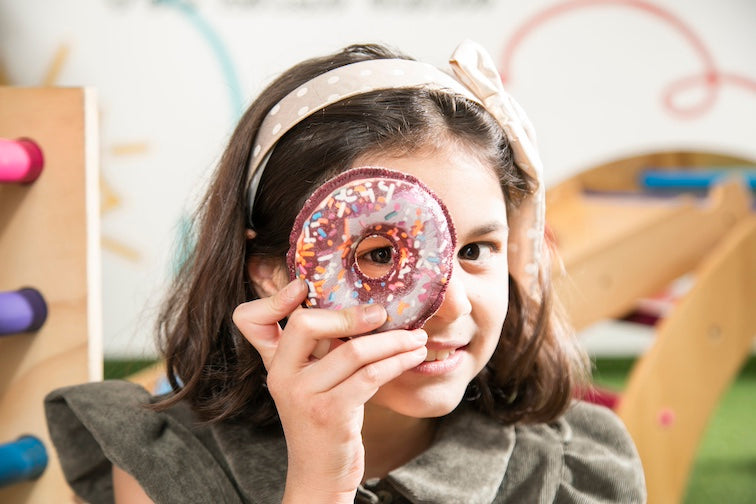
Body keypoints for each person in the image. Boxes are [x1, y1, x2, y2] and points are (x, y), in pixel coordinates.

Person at [45, 40, 646, 503]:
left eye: (475, 251)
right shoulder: (167, 461)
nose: (454, 304)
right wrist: (318, 480)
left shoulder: (574, 468)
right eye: (380, 255)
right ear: (272, 274)